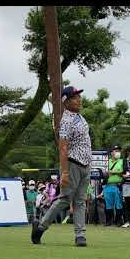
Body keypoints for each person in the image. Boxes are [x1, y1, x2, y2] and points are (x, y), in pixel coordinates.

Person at [32, 86, 91, 247]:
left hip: (85, 165)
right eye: (75, 98)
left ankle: (80, 236)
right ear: (66, 102)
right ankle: (41, 227)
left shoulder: (79, 117)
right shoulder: (66, 121)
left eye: (79, 96)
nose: (79, 100)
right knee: (65, 200)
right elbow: (63, 147)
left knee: (80, 201)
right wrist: (64, 172)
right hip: (72, 165)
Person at [105, 145, 124, 226]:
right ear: (111, 153)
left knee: (118, 204)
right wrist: (115, 171)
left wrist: (112, 172)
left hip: (117, 185)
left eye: (118, 151)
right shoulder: (107, 161)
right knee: (108, 204)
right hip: (108, 186)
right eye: (116, 151)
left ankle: (118, 221)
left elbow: (122, 171)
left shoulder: (122, 161)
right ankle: (109, 221)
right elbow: (104, 172)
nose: (117, 152)